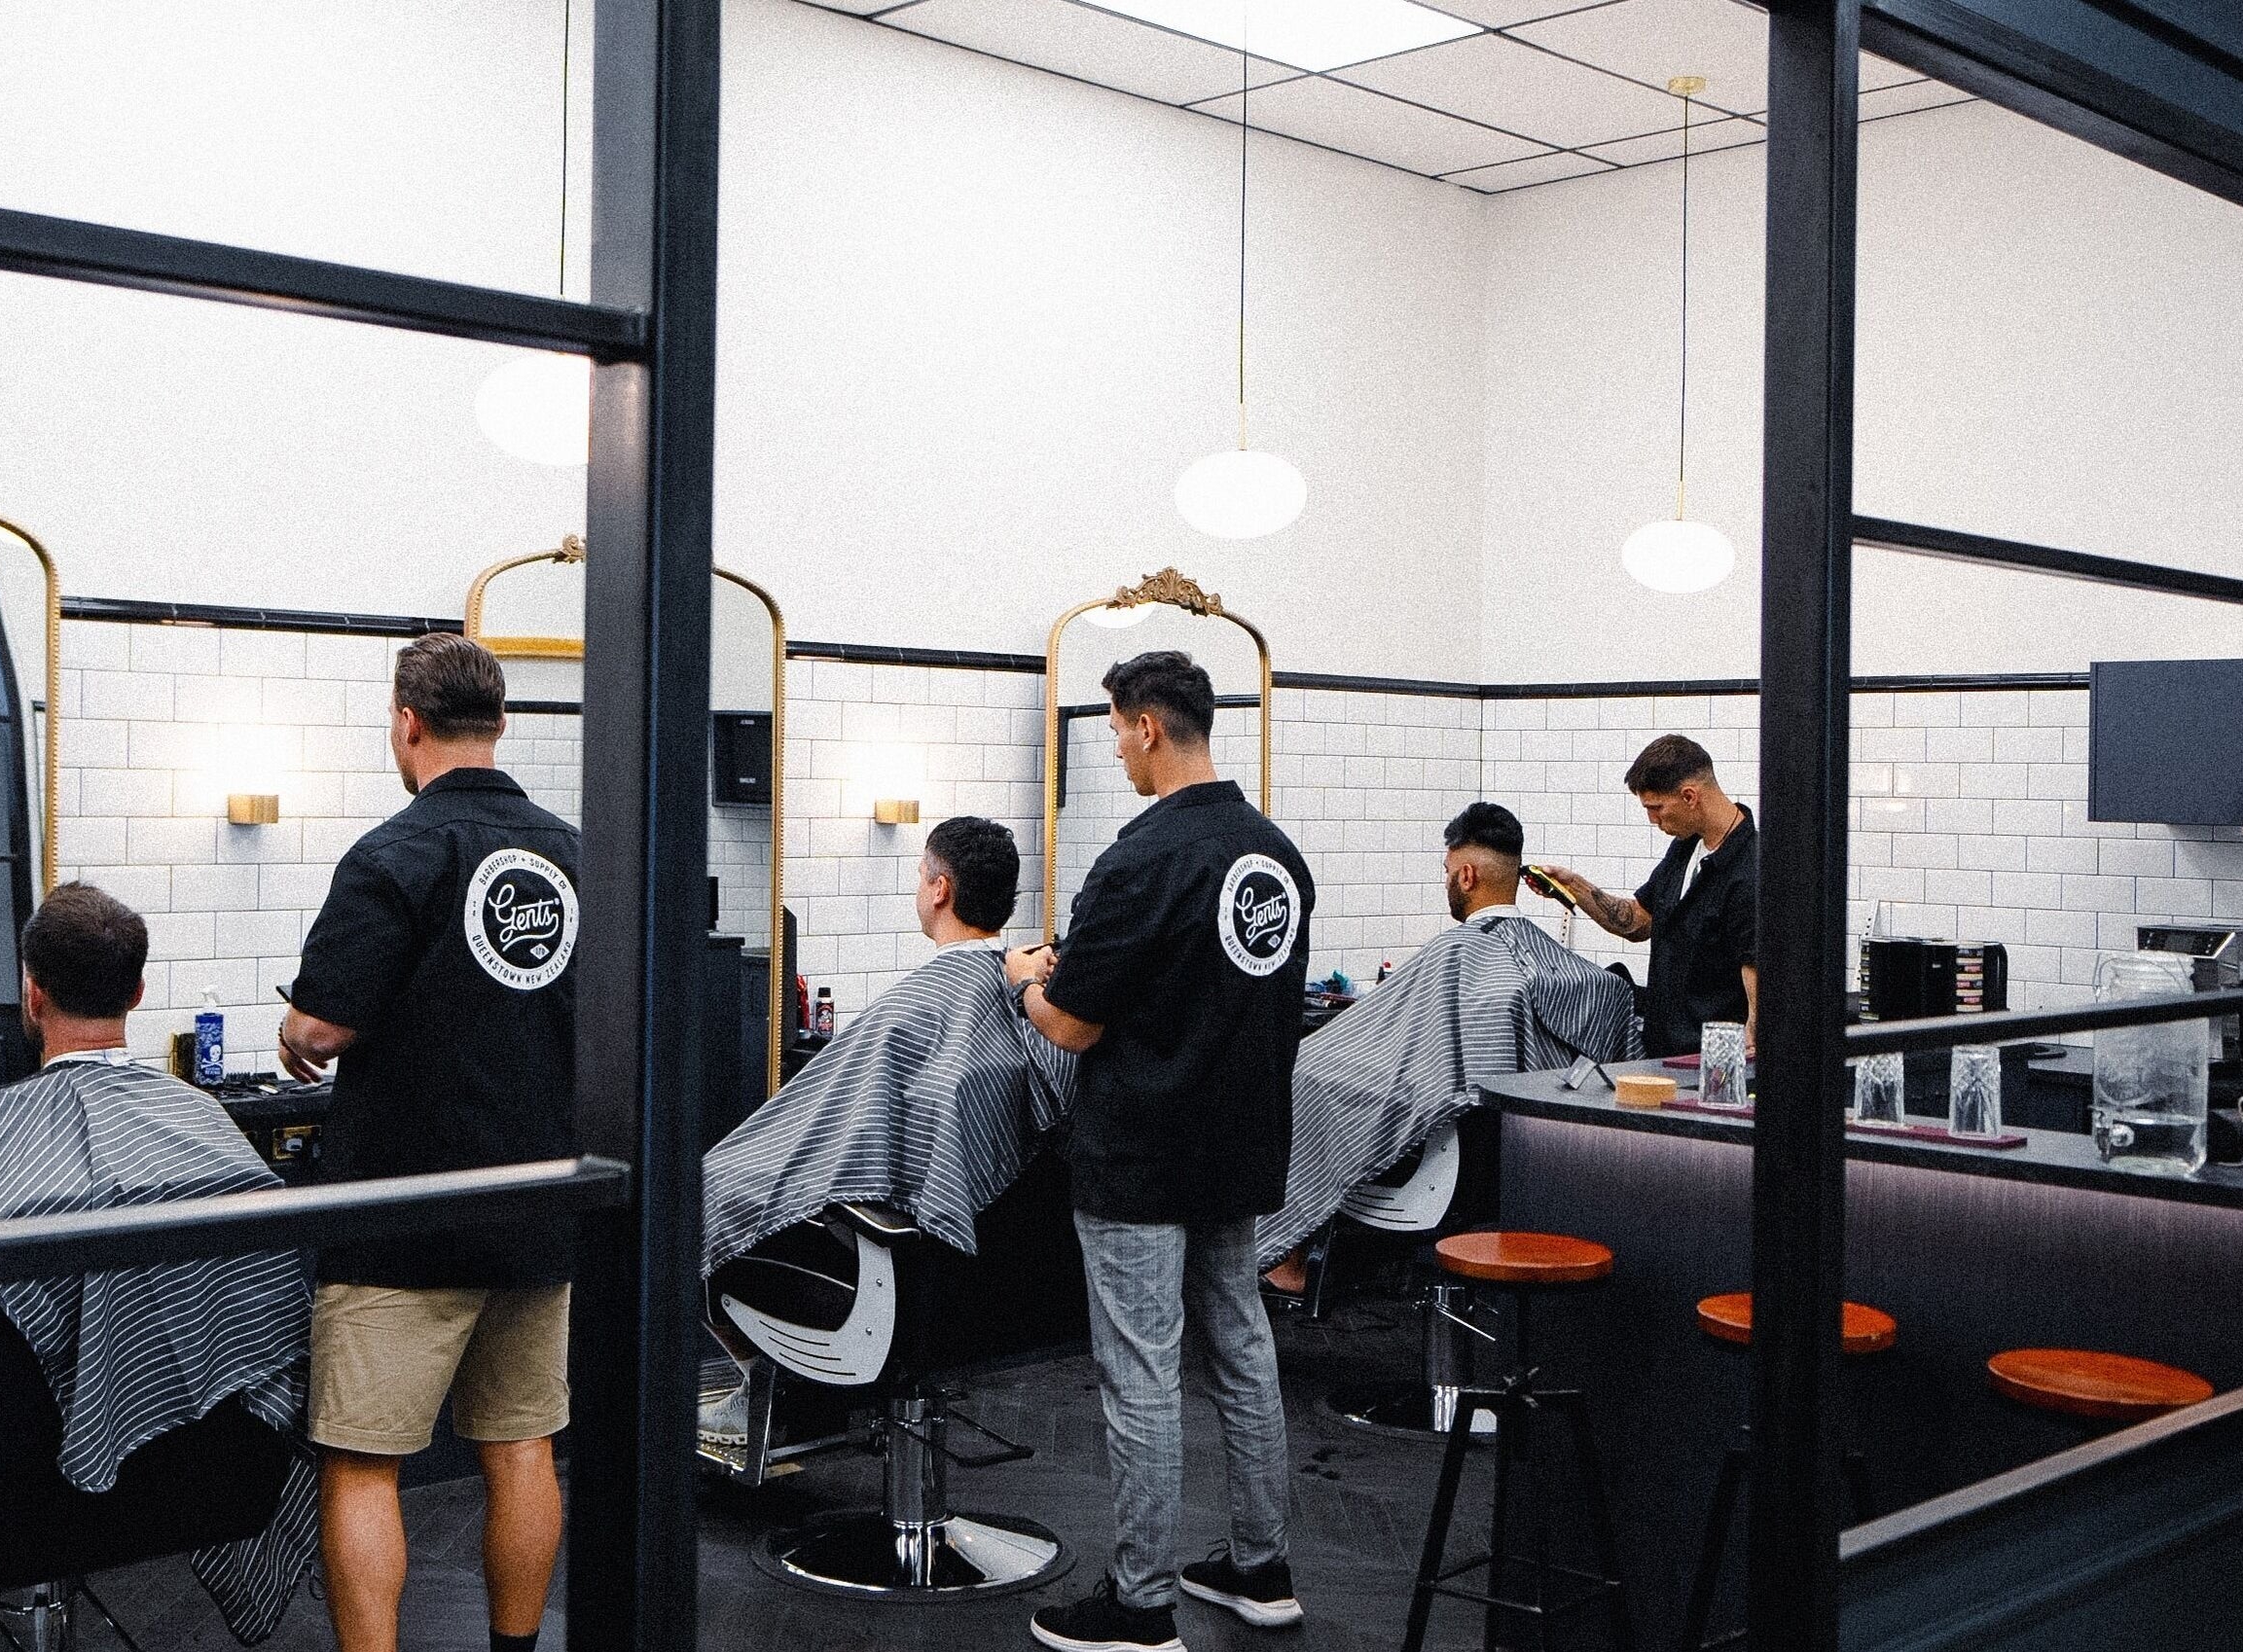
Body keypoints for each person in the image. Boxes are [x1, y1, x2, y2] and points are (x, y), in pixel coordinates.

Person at [0, 883, 314, 1644]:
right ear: (137, 990)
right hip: (199, 1491)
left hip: (4, 1502)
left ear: (32, 995)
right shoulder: (209, 1130)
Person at [277, 633, 577, 1652]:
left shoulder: (391, 856)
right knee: (521, 1445)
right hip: (540, 1201)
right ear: (498, 724)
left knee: (364, 1463)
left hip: (402, 1216)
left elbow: (321, 1028)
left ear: (406, 721)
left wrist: (294, 1030)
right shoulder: (572, 856)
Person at [1007, 650, 1313, 1650]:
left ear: (1143, 725)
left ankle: (1138, 1606)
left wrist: (1024, 982)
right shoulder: (1274, 855)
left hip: (1141, 1154)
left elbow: (1069, 1027)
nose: (1117, 753)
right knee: (1240, 1348)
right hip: (1238, 1147)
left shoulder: (1141, 858)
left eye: (1112, 732)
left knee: (1140, 1371)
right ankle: (1258, 1568)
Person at [1255, 804, 1639, 1271]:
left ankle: (1287, 1263)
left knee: (1299, 1078)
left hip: (1455, 1160)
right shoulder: (1573, 975)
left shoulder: (1457, 952)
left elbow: (1396, 1059)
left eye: (1446, 871)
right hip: (1540, 1167)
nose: (1446, 882)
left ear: (1467, 876)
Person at [702, 814, 1073, 1276]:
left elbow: (835, 1133)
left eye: (921, 875)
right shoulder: (1032, 993)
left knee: (716, 1182)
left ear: (940, 890)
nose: (918, 888)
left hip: (888, 1239)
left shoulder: (914, 1006)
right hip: (1014, 1269)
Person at [1532, 734, 1760, 1059]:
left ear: (1690, 796)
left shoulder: (1752, 867)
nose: (1653, 820)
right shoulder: (1685, 847)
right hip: (1662, 1051)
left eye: (1656, 808)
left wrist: (1756, 1030)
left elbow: (1756, 964)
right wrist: (1574, 887)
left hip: (1715, 1061)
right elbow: (1637, 921)